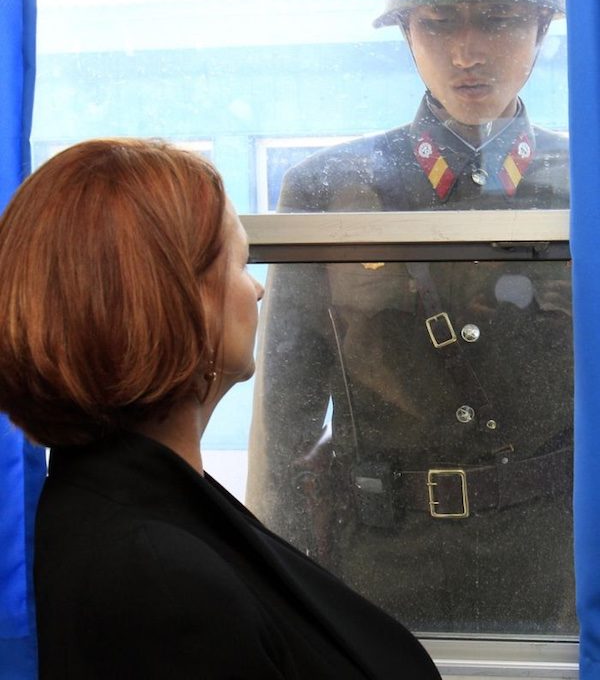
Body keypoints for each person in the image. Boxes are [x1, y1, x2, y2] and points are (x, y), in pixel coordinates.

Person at [247, 0, 575, 635]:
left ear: (541, 27)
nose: (466, 51)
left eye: (495, 19)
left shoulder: (581, 183)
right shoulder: (328, 194)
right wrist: (283, 597)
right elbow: (288, 418)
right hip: (381, 576)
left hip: (558, 572)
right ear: (405, 34)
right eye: (436, 23)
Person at [0, 139, 441, 679]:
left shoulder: (134, 500)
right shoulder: (161, 583)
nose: (256, 290)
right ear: (180, 303)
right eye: (238, 263)